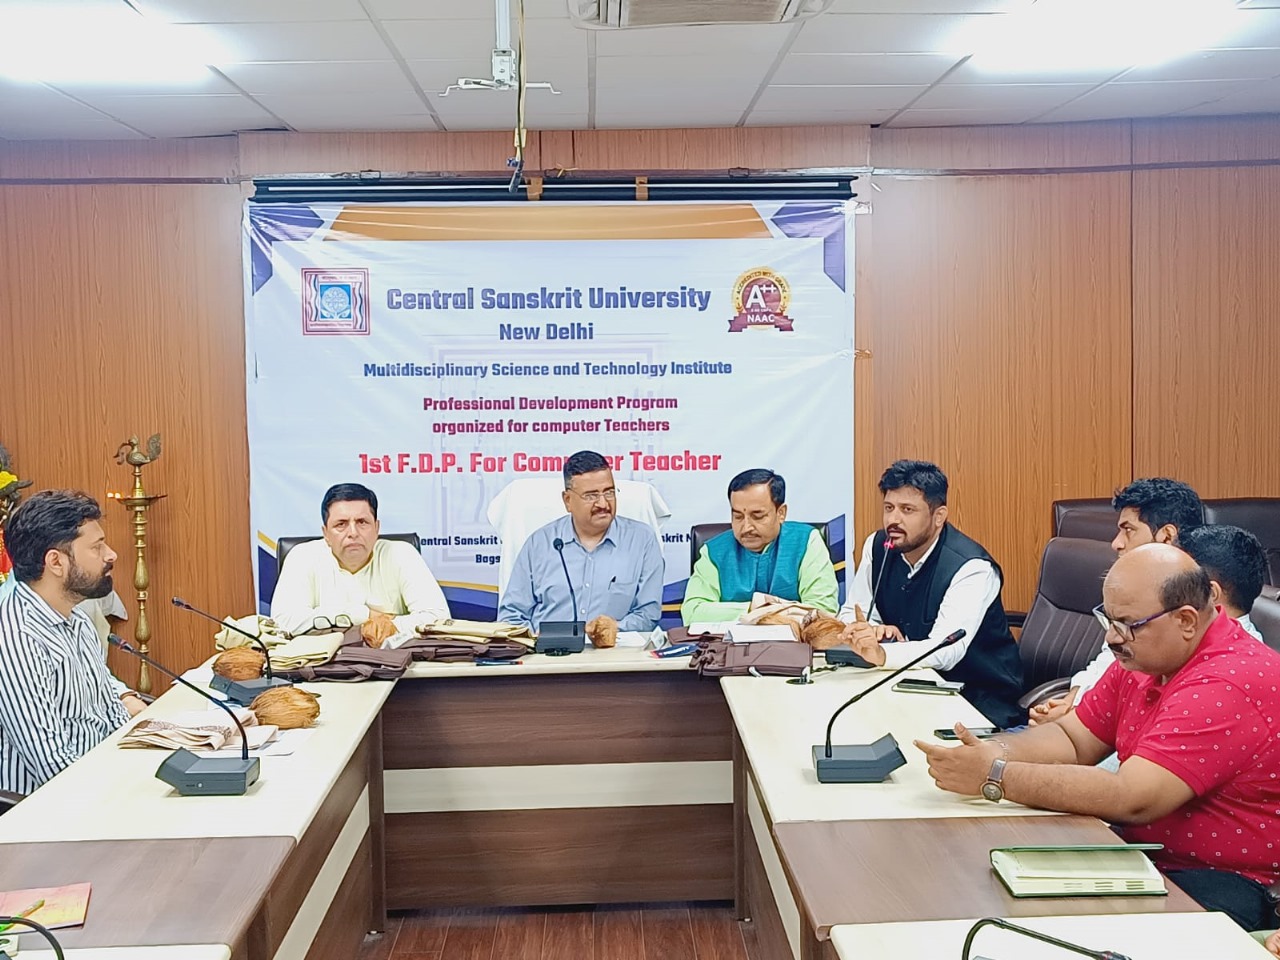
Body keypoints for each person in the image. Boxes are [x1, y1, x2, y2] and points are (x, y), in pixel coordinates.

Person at [916, 543, 1280, 931]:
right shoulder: (1148, 655)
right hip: (1140, 855)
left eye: (1126, 624)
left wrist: (996, 776)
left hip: (1221, 881)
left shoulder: (1229, 681)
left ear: (1187, 620)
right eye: (1107, 620)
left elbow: (1133, 798)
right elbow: (1074, 739)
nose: (1111, 638)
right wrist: (989, 751)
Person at [837, 460, 1024, 729]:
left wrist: (884, 654)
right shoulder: (879, 546)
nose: (893, 520)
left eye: (907, 510)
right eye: (889, 508)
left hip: (977, 701)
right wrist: (875, 630)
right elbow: (852, 612)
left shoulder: (971, 568)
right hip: (908, 688)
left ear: (939, 516)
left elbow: (947, 649)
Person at [0, 491, 142, 795]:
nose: (111, 555)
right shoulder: (17, 636)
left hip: (101, 786)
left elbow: (112, 717)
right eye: (97, 547)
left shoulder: (76, 620)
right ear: (56, 562)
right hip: (48, 817)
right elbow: (53, 765)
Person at [1031, 477, 1203, 724]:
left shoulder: (1193, 606)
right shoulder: (1139, 591)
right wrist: (1072, 700)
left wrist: (1074, 718)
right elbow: (1110, 661)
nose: (1116, 543)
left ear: (1166, 536)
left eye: (1128, 530)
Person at [499, 451, 664, 633]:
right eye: (591, 496)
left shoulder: (642, 541)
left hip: (615, 653)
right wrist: (536, 643)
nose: (603, 504)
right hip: (547, 656)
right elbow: (512, 615)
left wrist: (613, 629)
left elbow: (648, 615)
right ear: (568, 500)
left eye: (609, 492)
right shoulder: (540, 543)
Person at [270, 483, 449, 647]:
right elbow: (283, 623)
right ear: (325, 533)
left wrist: (348, 623)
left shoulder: (402, 554)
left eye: (362, 522)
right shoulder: (303, 557)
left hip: (395, 668)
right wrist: (364, 615)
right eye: (341, 524)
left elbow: (438, 620)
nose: (353, 533)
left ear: (377, 528)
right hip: (324, 668)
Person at [681, 468, 837, 625]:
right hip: (727, 648)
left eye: (758, 516)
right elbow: (692, 612)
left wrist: (757, 614)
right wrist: (753, 608)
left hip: (792, 647)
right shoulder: (714, 551)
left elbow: (823, 611)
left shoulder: (806, 541)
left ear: (781, 513)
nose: (746, 527)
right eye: (738, 516)